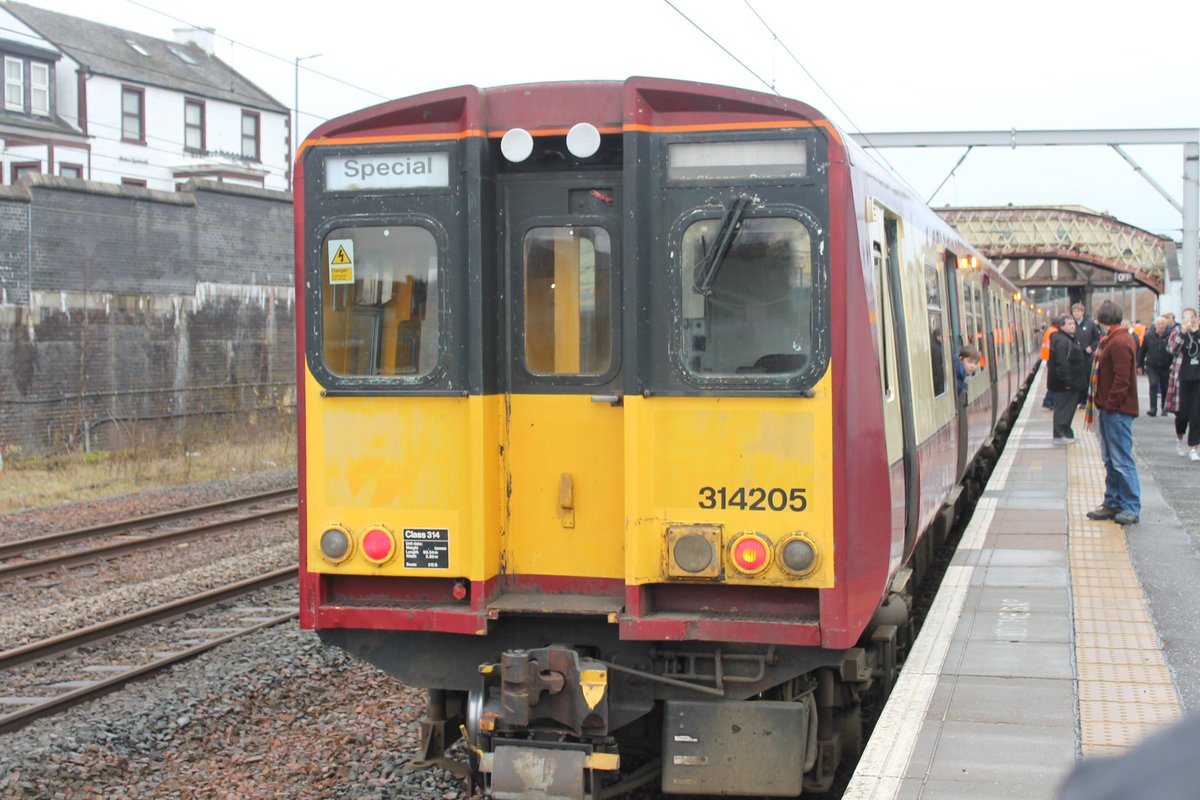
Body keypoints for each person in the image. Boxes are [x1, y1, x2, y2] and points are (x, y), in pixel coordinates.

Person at [1085, 299, 1141, 526]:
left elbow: (1122, 379)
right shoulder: (1114, 339)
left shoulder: (1119, 342)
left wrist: (1110, 404)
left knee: (1121, 460)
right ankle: (1113, 501)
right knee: (1110, 459)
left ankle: (1130, 506)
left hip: (1117, 412)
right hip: (1111, 410)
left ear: (1103, 319)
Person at [1165, 307, 1200, 460]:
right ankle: (1179, 438)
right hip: (1181, 379)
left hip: (1197, 378)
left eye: (1192, 318)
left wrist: (1197, 332)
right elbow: (1171, 349)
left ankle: (1193, 448)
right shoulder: (1177, 332)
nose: (1189, 321)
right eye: (1186, 318)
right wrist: (1183, 333)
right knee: (1182, 415)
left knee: (1196, 414)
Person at [1047, 315, 1087, 443]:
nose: (1073, 326)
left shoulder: (1067, 339)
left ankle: (1066, 433)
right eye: (1069, 324)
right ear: (1062, 326)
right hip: (1065, 384)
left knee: (1068, 409)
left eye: (1073, 323)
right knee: (1063, 409)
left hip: (1071, 382)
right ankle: (1059, 435)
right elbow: (1062, 363)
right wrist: (1068, 381)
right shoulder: (1063, 341)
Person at [1138, 316, 1172, 416]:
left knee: (1164, 386)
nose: (1161, 326)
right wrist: (1139, 365)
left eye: (1163, 324)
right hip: (1152, 365)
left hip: (1166, 366)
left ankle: (1164, 408)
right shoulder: (1148, 336)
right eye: (1159, 324)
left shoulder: (1170, 336)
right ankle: (1153, 408)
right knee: (1153, 384)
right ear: (1155, 325)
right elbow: (1142, 351)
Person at [1039, 320, 1060, 408]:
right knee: (1054, 381)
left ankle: (1048, 400)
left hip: (1048, 357)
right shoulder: (1054, 332)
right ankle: (1049, 400)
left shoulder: (1050, 330)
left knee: (1052, 381)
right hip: (1052, 358)